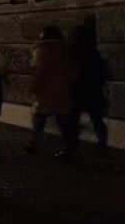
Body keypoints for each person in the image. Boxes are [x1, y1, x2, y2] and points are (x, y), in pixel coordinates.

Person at [28, 26, 79, 158]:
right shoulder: (66, 49)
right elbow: (73, 70)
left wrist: (34, 86)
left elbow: (39, 71)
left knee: (39, 118)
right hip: (63, 89)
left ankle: (34, 143)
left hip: (45, 90)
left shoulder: (41, 50)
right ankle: (69, 148)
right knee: (63, 120)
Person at [71, 17, 110, 157]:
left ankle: (72, 146)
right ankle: (102, 145)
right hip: (94, 90)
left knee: (74, 118)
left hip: (78, 90)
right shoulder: (94, 55)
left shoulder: (74, 54)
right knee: (97, 119)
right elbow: (102, 73)